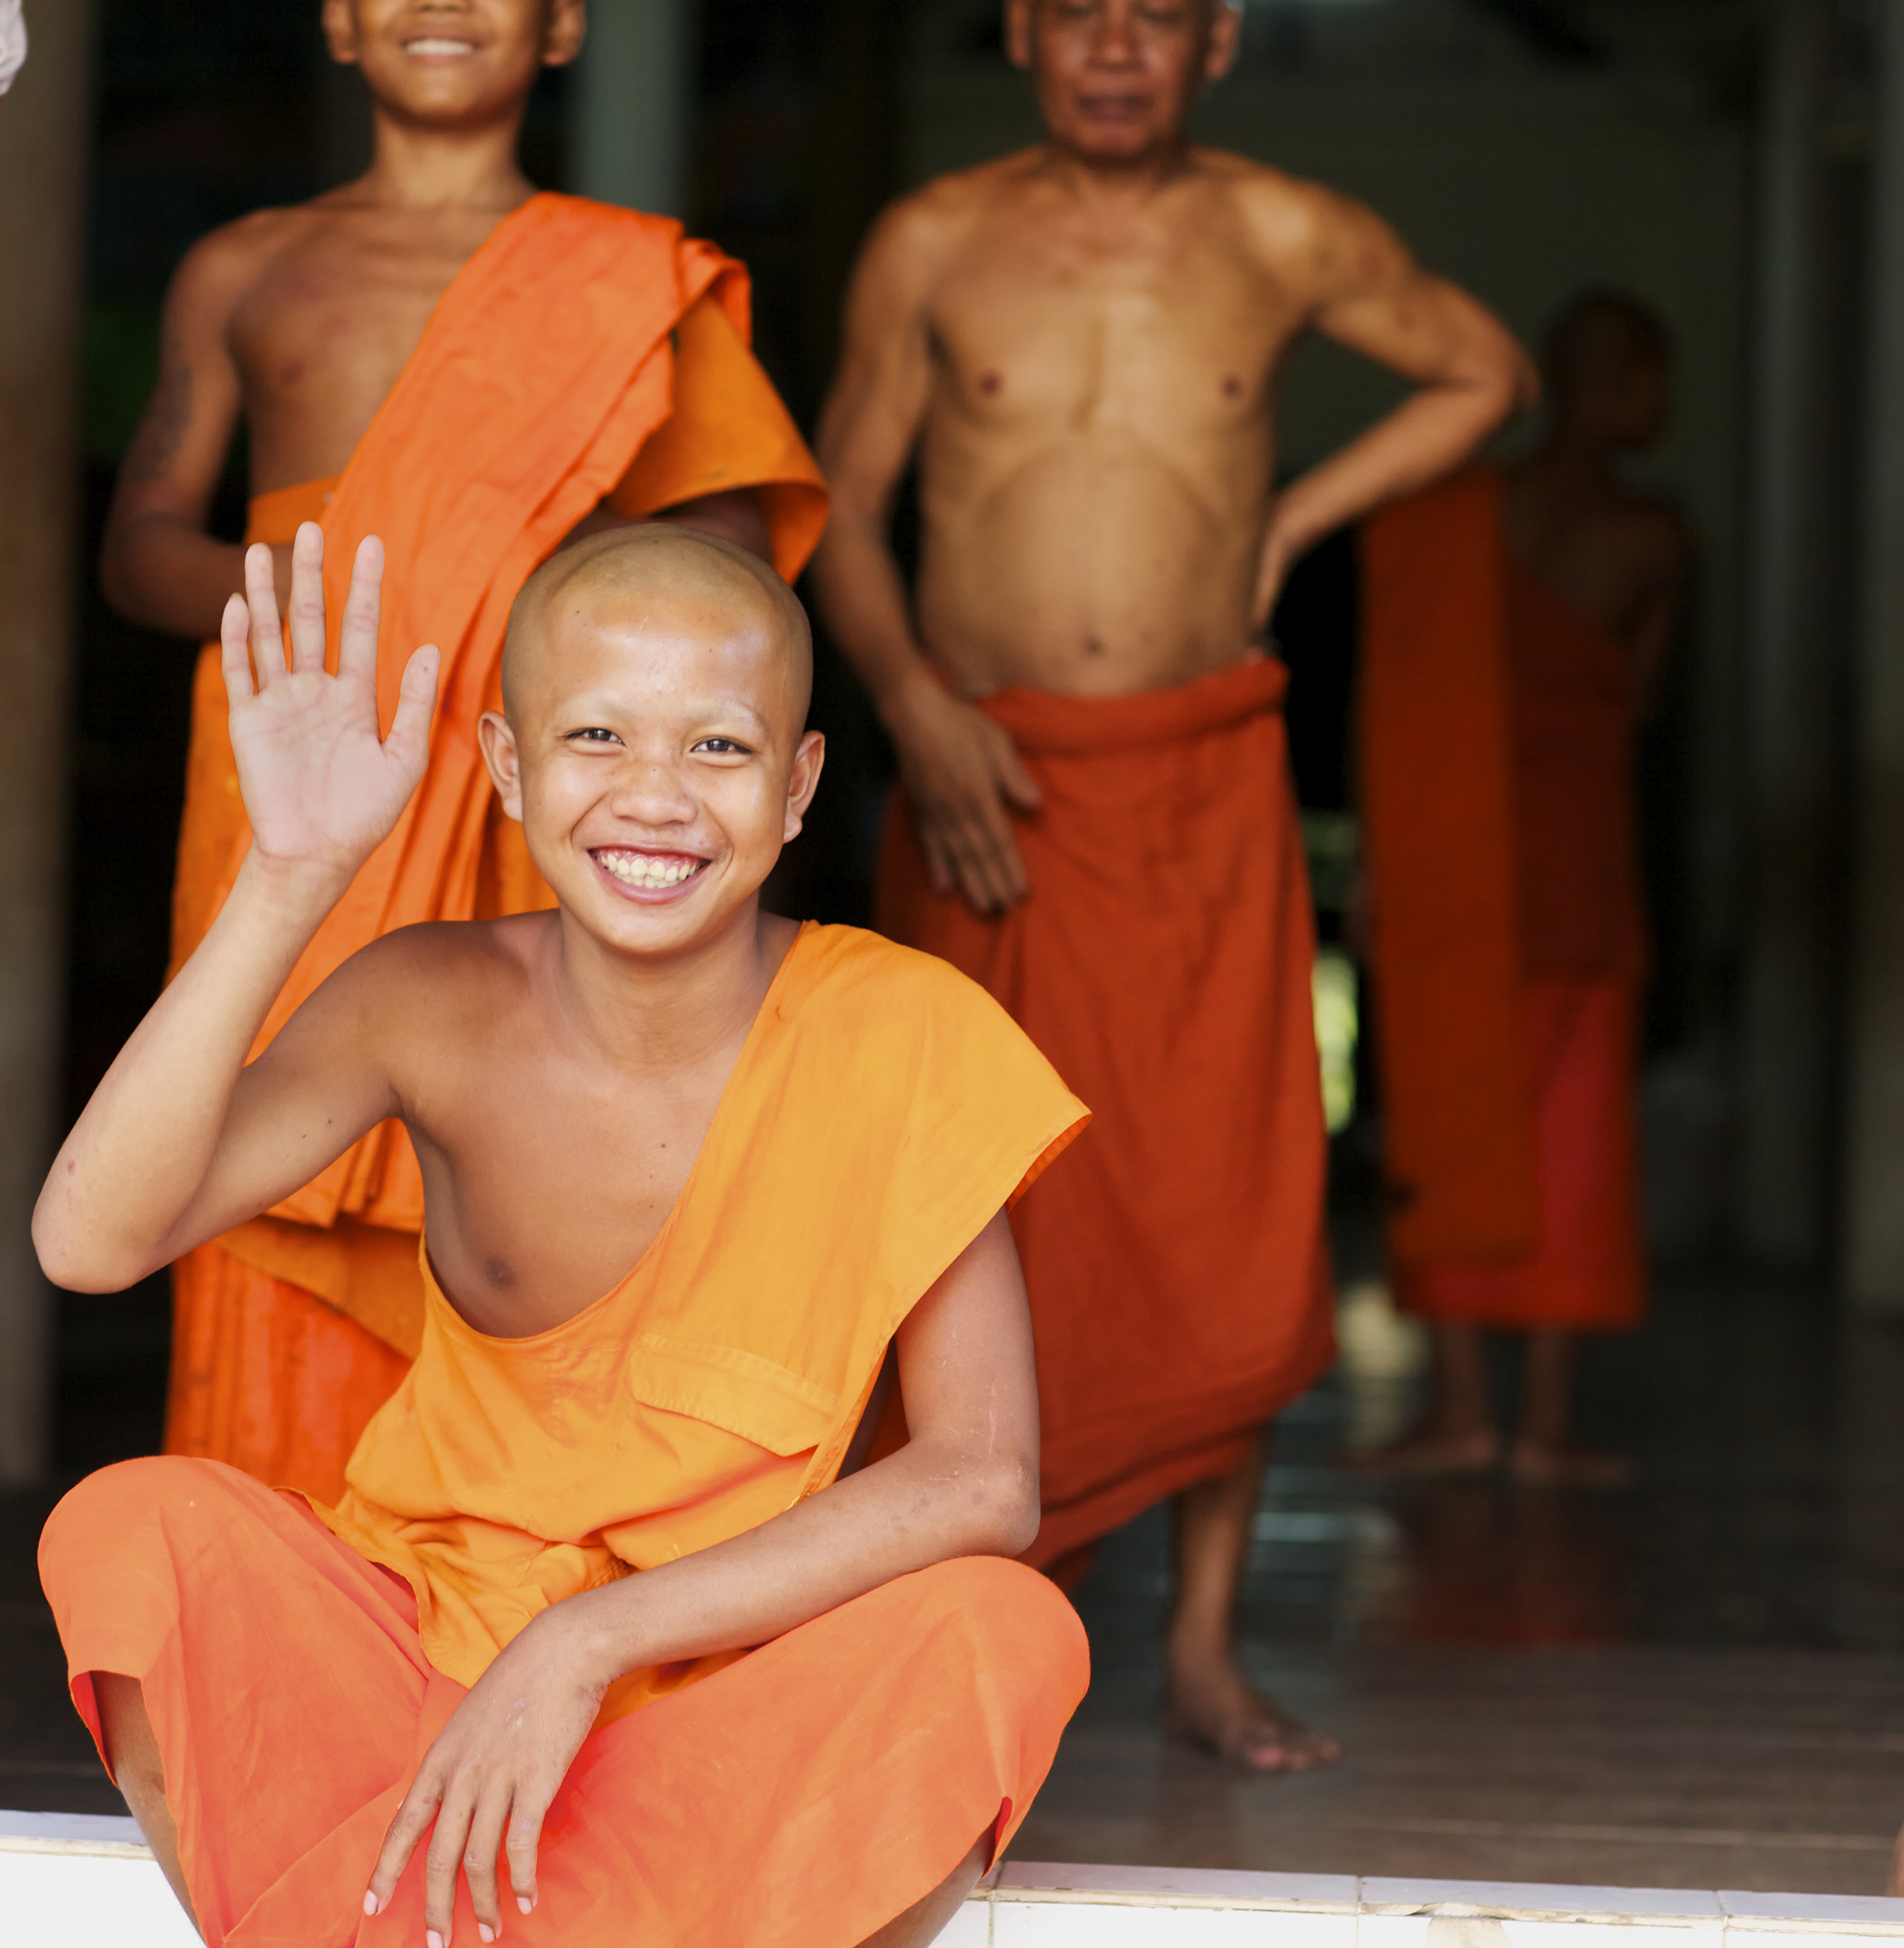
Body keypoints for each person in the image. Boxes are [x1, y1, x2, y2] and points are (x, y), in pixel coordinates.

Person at [37, 523, 1090, 1947]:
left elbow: (985, 1479)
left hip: (714, 1697)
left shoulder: (902, 1031)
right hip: (421, 1661)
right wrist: (293, 874)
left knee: (1002, 1631)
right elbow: (89, 1240)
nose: (654, 798)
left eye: (719, 749)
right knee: (130, 1529)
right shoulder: (428, 1000)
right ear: (511, 765)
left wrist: (589, 1639)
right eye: (597, 734)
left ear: (799, 787)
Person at [810, 0, 1531, 1770]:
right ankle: (955, 1641)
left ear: (1216, 40)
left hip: (1199, 782)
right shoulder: (939, 237)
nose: (1116, 44)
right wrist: (913, 706)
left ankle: (1201, 1647)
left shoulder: (1281, 231)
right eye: (1080, 12)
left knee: (1224, 1213)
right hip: (992, 788)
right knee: (966, 1223)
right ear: (1022, 34)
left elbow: (1484, 374)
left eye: (1157, 13)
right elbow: (837, 499)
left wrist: (1293, 521)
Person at [95, 0, 828, 1505]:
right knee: (244, 1119)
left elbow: (730, 572)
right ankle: (265, 1608)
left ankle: (490, 1600)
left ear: (562, 29)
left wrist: (516, 606)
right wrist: (337, 610)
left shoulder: (634, 281)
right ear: (339, 22)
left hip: (534, 770)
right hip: (294, 750)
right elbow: (141, 543)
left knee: (511, 1126)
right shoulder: (245, 265)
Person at [1354, 290, 1688, 1482]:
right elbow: (1640, 707)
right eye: (1649, 381)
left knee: (1448, 1129)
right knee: (1574, 1147)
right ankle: (1543, 1424)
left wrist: (1379, 873)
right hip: (1578, 871)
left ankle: (1459, 1412)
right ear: (1606, 386)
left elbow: (1386, 713)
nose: (1661, 407)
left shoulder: (1436, 522)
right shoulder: (1652, 540)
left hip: (1448, 868)